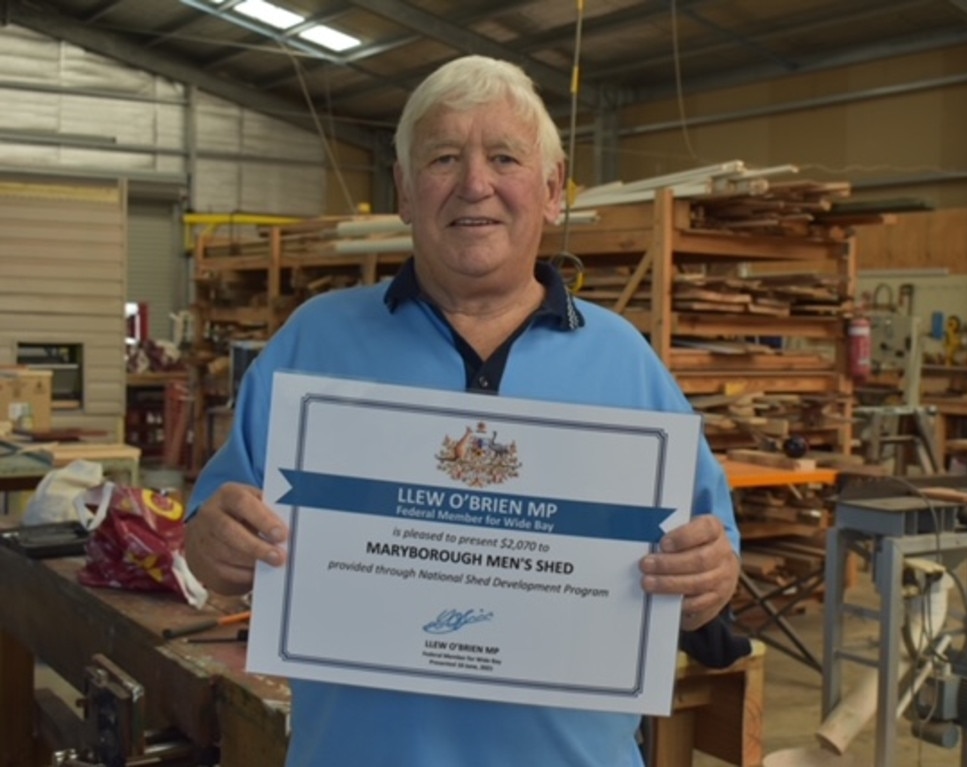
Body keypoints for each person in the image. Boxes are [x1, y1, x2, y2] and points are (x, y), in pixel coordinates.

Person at [185, 54, 741, 767]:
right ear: (405, 193)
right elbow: (212, 541)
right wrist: (215, 542)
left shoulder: (625, 362)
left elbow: (709, 559)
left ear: (552, 190)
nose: (475, 184)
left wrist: (709, 577)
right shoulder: (314, 342)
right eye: (444, 158)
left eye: (504, 157)